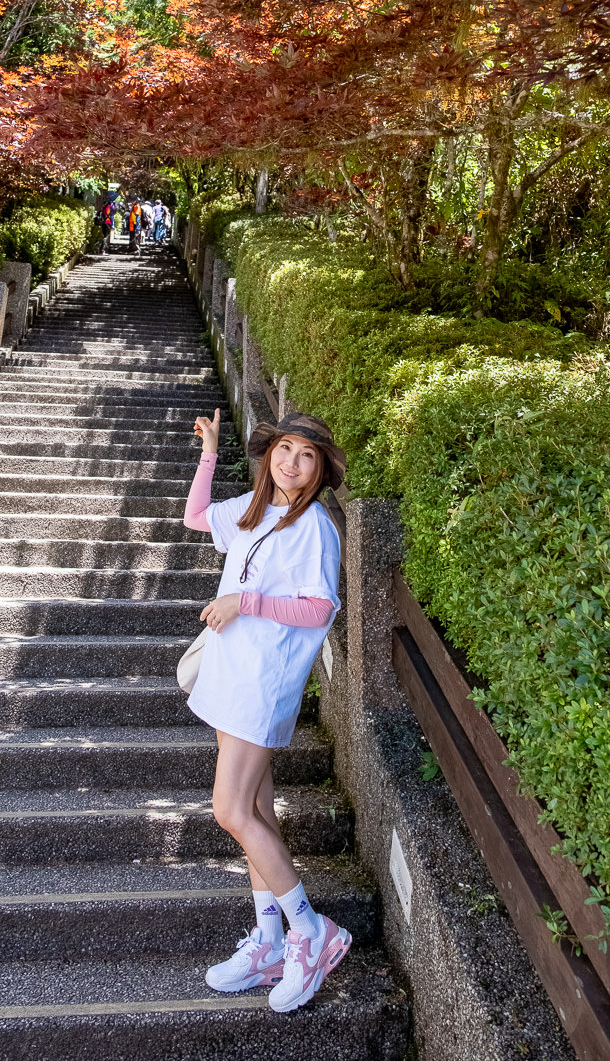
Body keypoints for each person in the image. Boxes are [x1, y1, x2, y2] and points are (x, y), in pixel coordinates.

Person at [183, 409, 351, 1012]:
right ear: (269, 454)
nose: (292, 463)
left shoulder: (316, 529)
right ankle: (270, 940)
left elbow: (318, 609)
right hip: (233, 676)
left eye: (307, 456)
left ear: (320, 468)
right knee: (255, 807)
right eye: (285, 449)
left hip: (263, 680)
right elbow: (197, 517)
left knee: (229, 810)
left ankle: (311, 931)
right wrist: (210, 451)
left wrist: (244, 601)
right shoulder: (257, 512)